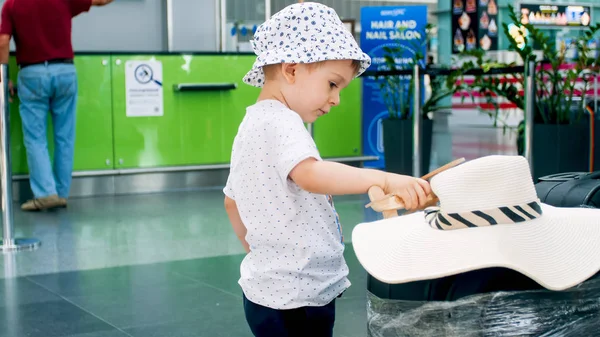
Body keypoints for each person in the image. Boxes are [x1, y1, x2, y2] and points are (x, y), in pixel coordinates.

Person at [223, 3, 432, 336]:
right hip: (299, 297)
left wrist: (260, 254)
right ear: (291, 70)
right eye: (332, 84)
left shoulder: (252, 123)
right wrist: (382, 178)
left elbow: (231, 201)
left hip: (265, 292)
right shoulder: (284, 122)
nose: (336, 99)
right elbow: (312, 175)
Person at [0, 0, 113, 211]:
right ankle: (61, 193)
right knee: (65, 137)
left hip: (32, 74)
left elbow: (3, 42)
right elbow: (101, 0)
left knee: (35, 137)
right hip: (65, 72)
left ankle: (45, 194)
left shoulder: (11, 4)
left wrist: (2, 78)